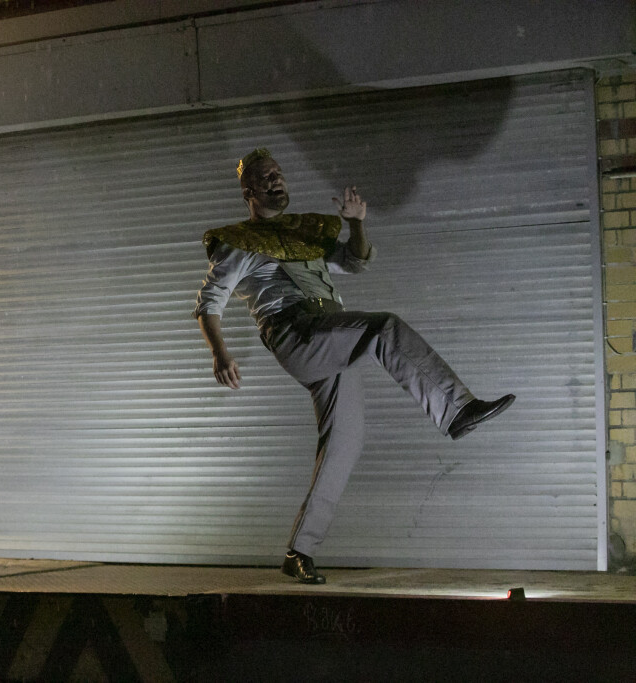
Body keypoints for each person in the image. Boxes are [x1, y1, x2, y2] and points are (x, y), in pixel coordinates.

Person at [194, 148, 515, 584]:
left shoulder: (303, 232)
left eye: (279, 173)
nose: (277, 180)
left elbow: (354, 261)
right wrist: (220, 353)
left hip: (329, 333)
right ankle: (457, 410)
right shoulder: (239, 242)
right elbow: (209, 303)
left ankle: (299, 552)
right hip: (295, 333)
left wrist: (357, 223)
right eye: (265, 177)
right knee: (383, 328)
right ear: (249, 191)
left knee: (344, 444)